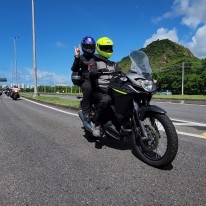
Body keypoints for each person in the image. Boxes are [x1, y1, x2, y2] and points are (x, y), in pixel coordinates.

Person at [88, 37, 121, 137]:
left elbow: (121, 73)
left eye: (109, 48)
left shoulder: (114, 64)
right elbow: (91, 71)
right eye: (105, 47)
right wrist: (96, 71)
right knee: (106, 99)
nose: (108, 50)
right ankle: (97, 124)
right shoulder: (93, 60)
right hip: (99, 90)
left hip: (112, 90)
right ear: (99, 48)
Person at [71, 36, 96, 124]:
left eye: (91, 47)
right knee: (88, 88)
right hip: (85, 79)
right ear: (83, 47)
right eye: (88, 46)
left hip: (96, 78)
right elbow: (74, 69)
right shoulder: (81, 58)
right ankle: (85, 113)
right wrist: (77, 56)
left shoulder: (96, 57)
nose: (90, 49)